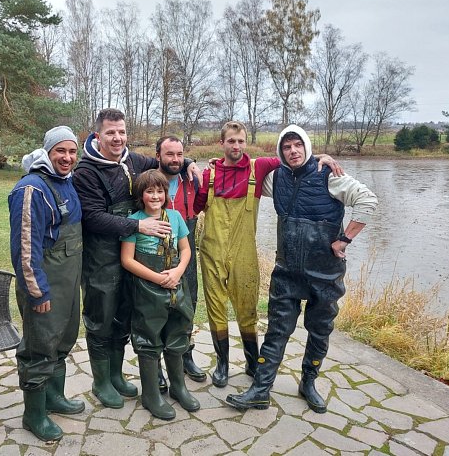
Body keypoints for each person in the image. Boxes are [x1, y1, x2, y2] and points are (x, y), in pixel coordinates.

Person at [226, 124, 377, 413]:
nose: (293, 151)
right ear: (280, 151)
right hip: (286, 271)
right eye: (287, 146)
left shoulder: (329, 176)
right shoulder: (275, 178)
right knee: (276, 331)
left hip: (325, 274)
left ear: (306, 147)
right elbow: (242, 165)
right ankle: (260, 389)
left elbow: (368, 200)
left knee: (319, 331)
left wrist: (344, 239)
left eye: (298, 145)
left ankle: (308, 382)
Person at [193, 121, 341, 388]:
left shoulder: (259, 167)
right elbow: (197, 207)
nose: (236, 146)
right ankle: (222, 364)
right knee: (215, 307)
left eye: (240, 141)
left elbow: (295, 158)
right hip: (212, 250)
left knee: (247, 308)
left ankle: (252, 361)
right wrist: (189, 166)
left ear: (245, 143)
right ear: (222, 144)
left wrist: (320, 157)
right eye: (231, 141)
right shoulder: (210, 173)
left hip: (244, 252)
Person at [73, 108, 201, 409]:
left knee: (123, 316)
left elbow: (166, 162)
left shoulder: (134, 160)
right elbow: (91, 218)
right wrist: (137, 225)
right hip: (101, 258)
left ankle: (117, 375)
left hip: (129, 258)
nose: (117, 138)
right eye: (110, 133)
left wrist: (189, 163)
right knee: (100, 318)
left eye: (121, 131)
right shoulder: (86, 172)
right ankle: (101, 380)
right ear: (97, 136)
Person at [8, 126, 84, 442]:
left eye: (71, 151)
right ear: (47, 153)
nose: (67, 158)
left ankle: (55, 397)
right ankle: (34, 415)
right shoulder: (31, 190)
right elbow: (25, 249)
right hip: (45, 287)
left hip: (68, 283)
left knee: (62, 342)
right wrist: (37, 292)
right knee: (39, 349)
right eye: (60, 151)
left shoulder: (65, 183)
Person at [120, 170, 200, 420]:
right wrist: (157, 278)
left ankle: (178, 387)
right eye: (149, 191)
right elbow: (126, 260)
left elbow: (186, 250)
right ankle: (151, 395)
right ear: (141, 195)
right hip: (146, 289)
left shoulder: (175, 217)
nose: (155, 196)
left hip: (176, 285)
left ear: (166, 193)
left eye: (160, 191)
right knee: (148, 338)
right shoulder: (134, 221)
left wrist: (177, 272)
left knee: (178, 333)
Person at [156, 136, 207, 387]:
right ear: (158, 157)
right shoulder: (149, 181)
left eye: (180, 154)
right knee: (154, 309)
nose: (175, 160)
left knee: (187, 305)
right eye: (169, 154)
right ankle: (154, 365)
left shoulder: (193, 179)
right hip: (155, 253)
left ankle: (185, 355)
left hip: (186, 250)